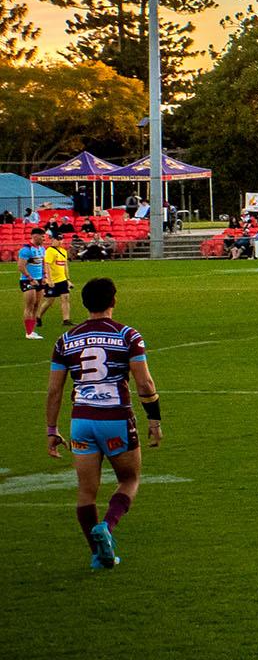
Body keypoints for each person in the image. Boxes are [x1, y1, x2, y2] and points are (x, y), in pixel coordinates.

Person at [44, 278, 162, 570]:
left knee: (86, 491)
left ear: (84, 304)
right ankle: (107, 527)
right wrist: (154, 418)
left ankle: (98, 555)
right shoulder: (127, 335)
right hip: (115, 418)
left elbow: (54, 390)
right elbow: (144, 382)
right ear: (114, 301)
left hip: (81, 420)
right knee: (129, 479)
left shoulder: (65, 340)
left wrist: (50, 430)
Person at [19, 227, 48, 339]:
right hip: (28, 280)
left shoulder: (42, 249)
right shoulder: (26, 250)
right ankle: (28, 332)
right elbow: (20, 266)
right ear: (35, 236)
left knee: (36, 305)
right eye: (42, 236)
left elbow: (43, 263)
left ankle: (32, 330)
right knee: (29, 305)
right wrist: (30, 278)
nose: (43, 239)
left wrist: (44, 276)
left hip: (39, 279)